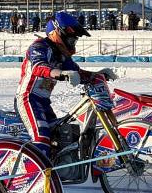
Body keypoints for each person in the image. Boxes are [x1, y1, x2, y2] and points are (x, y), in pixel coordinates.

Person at [16, 12, 116, 157]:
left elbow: (78, 73)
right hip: (28, 99)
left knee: (58, 139)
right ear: (57, 33)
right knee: (42, 139)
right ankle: (32, 176)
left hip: (43, 102)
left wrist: (98, 74)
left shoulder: (61, 55)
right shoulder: (39, 46)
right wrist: (61, 73)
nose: (72, 43)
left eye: (74, 40)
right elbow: (38, 67)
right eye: (71, 39)